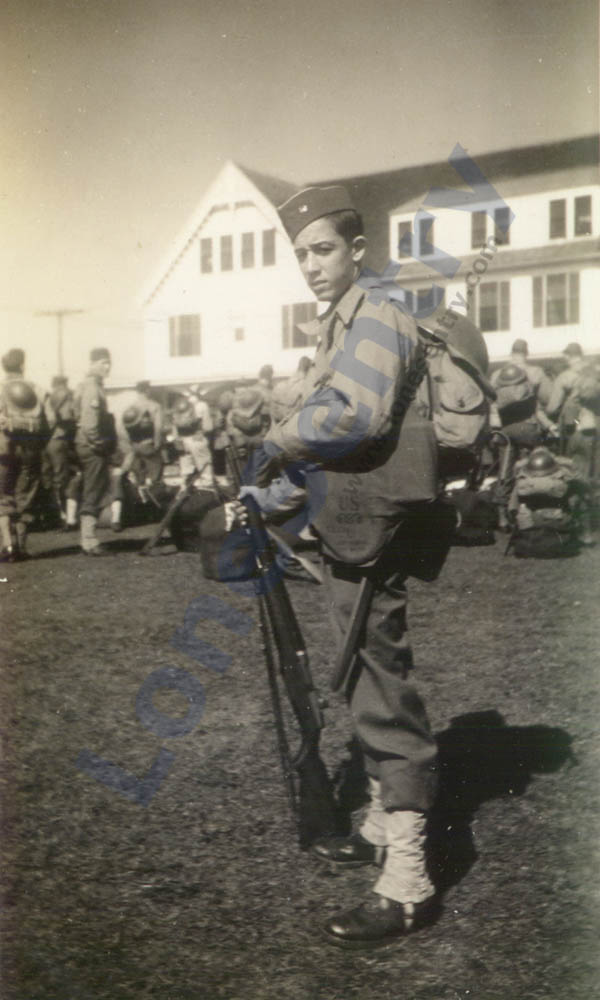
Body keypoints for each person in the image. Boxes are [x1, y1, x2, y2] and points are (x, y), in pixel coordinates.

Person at [240, 186, 441, 947]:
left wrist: (279, 439)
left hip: (374, 524)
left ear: (359, 250)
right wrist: (274, 490)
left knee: (380, 679)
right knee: (361, 670)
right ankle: (384, 827)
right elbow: (333, 444)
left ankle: (410, 880)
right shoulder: (340, 324)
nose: (310, 266)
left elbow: (353, 416)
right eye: (300, 254)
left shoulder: (378, 313)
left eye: (322, 249)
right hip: (347, 517)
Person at [0, 349, 48, 560]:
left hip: (3, 449)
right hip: (31, 449)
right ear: (22, 365)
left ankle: (8, 545)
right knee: (25, 496)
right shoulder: (37, 389)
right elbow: (51, 420)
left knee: (3, 497)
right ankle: (21, 544)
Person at [74, 348, 116, 555]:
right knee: (93, 490)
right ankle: (89, 540)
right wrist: (99, 444)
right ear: (92, 363)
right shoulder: (92, 387)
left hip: (88, 445)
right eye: (102, 362)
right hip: (92, 447)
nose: (106, 366)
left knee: (94, 489)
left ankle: (88, 538)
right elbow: (90, 424)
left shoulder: (91, 385)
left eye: (108, 362)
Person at [547, 342, 599, 480]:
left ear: (568, 356)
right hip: (595, 422)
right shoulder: (595, 371)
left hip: (573, 426)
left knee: (574, 465)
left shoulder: (565, 376)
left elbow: (552, 407)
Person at [44, 375, 80, 528]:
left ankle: (61, 515)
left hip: (50, 442)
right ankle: (65, 516)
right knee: (62, 480)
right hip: (61, 440)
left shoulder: (48, 398)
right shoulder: (65, 395)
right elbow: (67, 417)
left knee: (53, 479)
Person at [270, 356, 313, 424]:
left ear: (298, 367)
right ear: (309, 370)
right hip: (293, 424)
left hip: (278, 423)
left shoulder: (281, 384)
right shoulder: (306, 385)